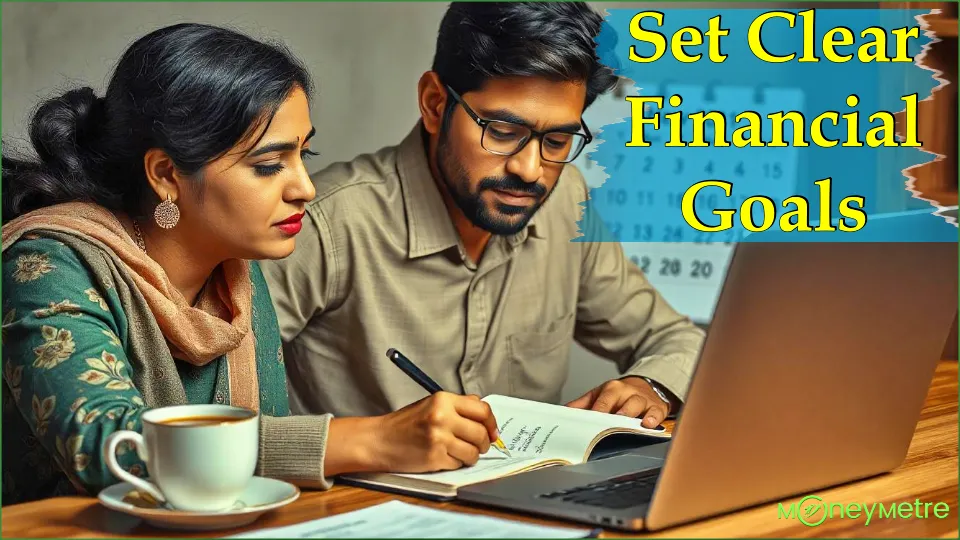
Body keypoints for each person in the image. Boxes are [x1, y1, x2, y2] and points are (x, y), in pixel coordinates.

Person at [261, 2, 706, 478]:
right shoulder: (327, 222)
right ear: (435, 104)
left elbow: (677, 338)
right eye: (503, 131)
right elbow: (191, 427)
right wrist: (373, 440)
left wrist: (651, 386)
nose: (530, 170)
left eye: (556, 142)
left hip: (528, 510)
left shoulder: (565, 203)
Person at [0, 22, 397, 504]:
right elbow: (109, 452)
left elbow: (251, 482)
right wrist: (373, 441)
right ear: (167, 175)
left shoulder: (234, 277)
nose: (305, 188)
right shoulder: (47, 263)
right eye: (269, 165)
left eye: (303, 154)